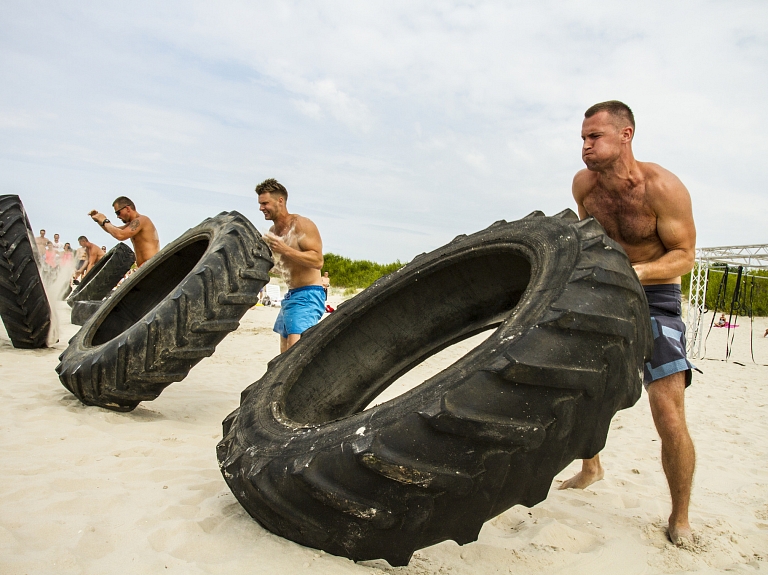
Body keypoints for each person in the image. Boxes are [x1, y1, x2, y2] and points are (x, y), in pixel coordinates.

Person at [562, 101, 697, 547]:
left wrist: (634, 274)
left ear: (626, 135)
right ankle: (591, 467)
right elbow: (589, 240)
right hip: (606, 289)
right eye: (583, 137)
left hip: (656, 295)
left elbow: (685, 257)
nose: (585, 146)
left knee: (668, 411)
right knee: (581, 388)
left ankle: (680, 517)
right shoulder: (584, 185)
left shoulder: (662, 188)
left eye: (594, 136)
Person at [256, 178, 324, 353]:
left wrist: (285, 249)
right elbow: (281, 267)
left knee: (294, 355)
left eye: (265, 203)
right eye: (260, 204)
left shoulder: (301, 224)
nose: (261, 208)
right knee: (284, 355)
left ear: (280, 201)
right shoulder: (273, 233)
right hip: (291, 296)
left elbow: (317, 261)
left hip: (309, 295)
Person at [88, 196, 160, 267]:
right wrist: (99, 221)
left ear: (127, 208)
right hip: (145, 267)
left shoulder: (142, 220)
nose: (118, 216)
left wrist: (105, 221)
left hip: (151, 266)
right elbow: (114, 230)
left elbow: (120, 235)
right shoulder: (132, 224)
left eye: (118, 213)